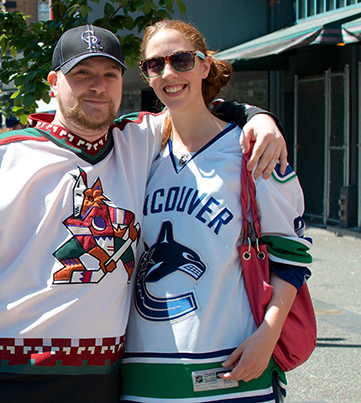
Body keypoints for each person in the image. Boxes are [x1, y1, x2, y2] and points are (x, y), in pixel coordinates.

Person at [0, 25, 286, 402]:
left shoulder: (138, 140)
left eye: (109, 74)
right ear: (54, 83)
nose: (97, 87)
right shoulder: (5, 156)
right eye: (82, 75)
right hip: (3, 379)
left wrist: (258, 116)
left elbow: (195, 105)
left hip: (99, 382)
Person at [120, 20, 312, 403]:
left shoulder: (253, 152)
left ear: (205, 65)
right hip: (144, 379)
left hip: (234, 369)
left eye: (181, 60)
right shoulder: (138, 152)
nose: (168, 73)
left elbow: (290, 257)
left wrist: (267, 337)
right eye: (155, 65)